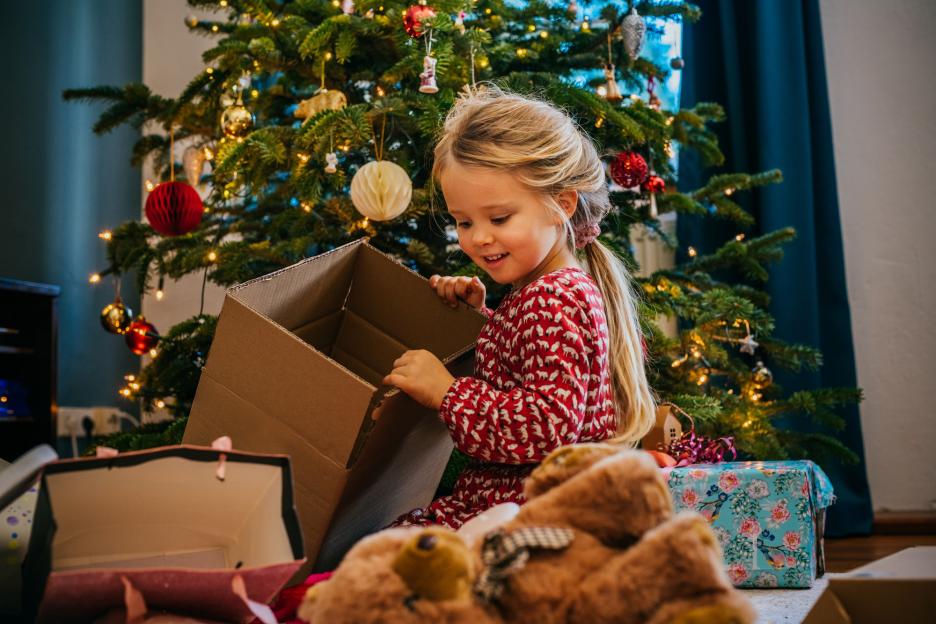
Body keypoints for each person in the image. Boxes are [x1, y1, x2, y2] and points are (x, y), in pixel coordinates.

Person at [383, 87, 656, 528]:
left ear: (561, 205)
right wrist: (481, 319)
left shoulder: (552, 297)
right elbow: (529, 367)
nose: (479, 238)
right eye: (464, 221)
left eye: (499, 218)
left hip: (532, 513)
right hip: (523, 503)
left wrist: (447, 393)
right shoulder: (548, 290)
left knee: (396, 559)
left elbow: (544, 426)